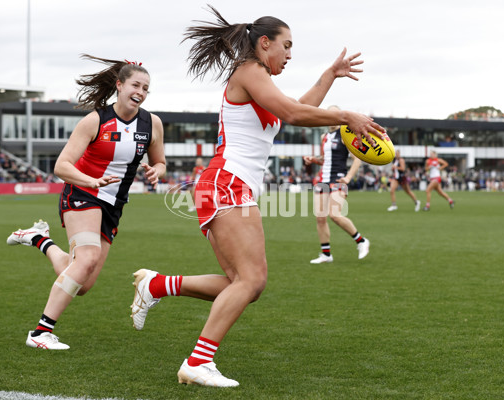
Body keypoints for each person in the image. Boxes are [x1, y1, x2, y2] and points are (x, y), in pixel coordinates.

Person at [129, 6, 386, 388]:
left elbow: (293, 110)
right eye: (286, 45)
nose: (289, 54)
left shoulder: (259, 78)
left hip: (227, 184)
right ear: (264, 43)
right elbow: (293, 113)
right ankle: (197, 362)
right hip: (226, 183)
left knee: (244, 283)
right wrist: (345, 115)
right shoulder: (252, 71)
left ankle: (158, 286)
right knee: (250, 281)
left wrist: (329, 77)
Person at [7, 54, 166, 350]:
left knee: (83, 283)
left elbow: (161, 162)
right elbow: (62, 165)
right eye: (135, 85)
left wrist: (157, 170)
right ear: (119, 85)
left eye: (146, 88)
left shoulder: (152, 123)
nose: (141, 92)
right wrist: (89, 181)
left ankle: (39, 239)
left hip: (114, 204)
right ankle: (40, 333)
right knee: (88, 259)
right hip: (82, 193)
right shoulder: (96, 120)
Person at [303, 106, 370, 264]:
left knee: (335, 215)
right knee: (320, 218)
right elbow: (325, 159)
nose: (331, 116)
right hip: (323, 179)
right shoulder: (324, 136)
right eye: (328, 113)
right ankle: (326, 254)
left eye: (334, 113)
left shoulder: (346, 135)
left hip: (338, 178)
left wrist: (348, 177)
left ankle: (361, 241)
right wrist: (313, 159)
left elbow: (357, 158)